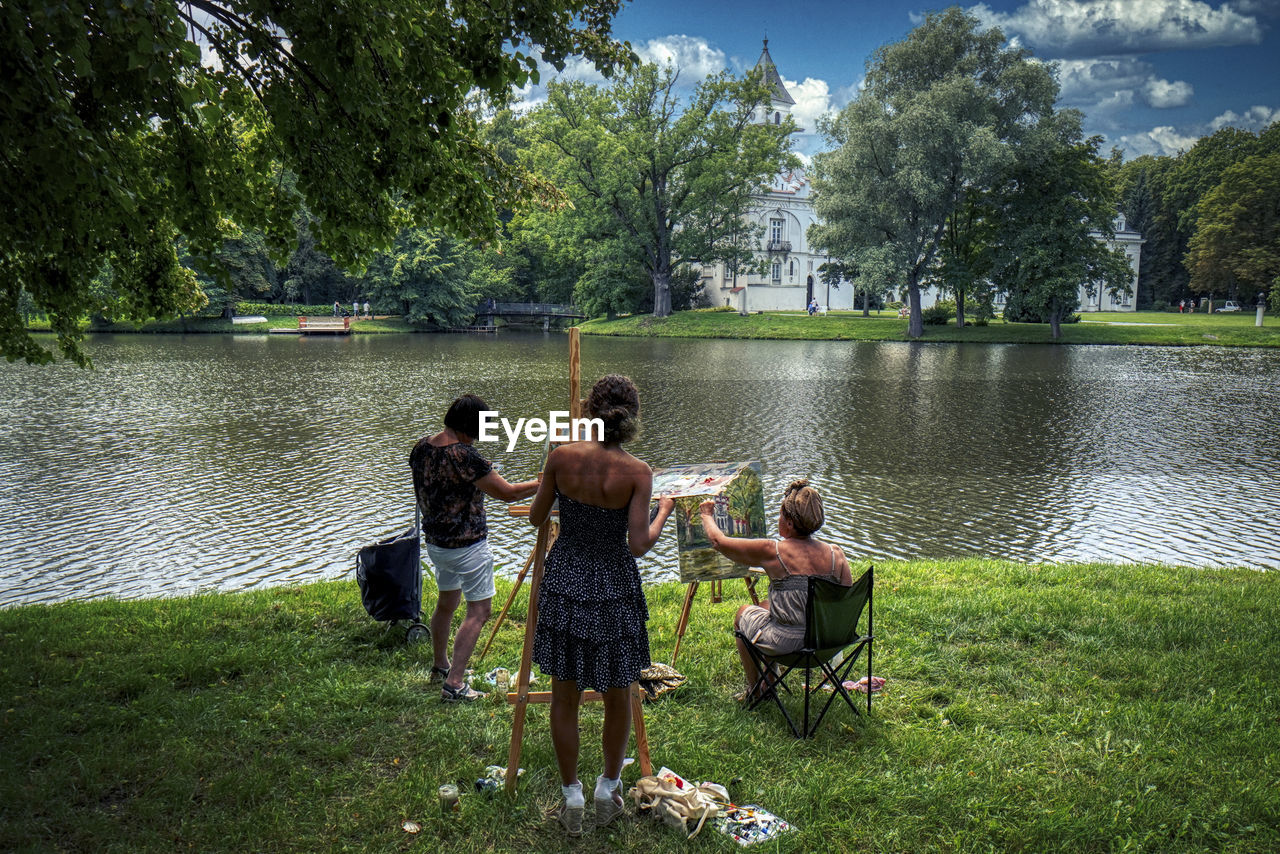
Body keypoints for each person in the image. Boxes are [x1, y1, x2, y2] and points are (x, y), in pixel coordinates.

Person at [528, 375, 675, 836]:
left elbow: (536, 517)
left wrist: (552, 489)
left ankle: (571, 793)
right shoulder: (638, 473)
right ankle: (607, 788)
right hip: (613, 584)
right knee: (617, 694)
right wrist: (664, 512)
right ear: (631, 419)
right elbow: (637, 544)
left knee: (564, 693)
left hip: (567, 577)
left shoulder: (561, 457)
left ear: (590, 410)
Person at [410, 394, 540, 703]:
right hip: (468, 546)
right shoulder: (466, 456)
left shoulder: (422, 447)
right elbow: (507, 493)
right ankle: (455, 684)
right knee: (479, 611)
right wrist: (544, 483)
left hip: (437, 544)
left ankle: (442, 665)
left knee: (446, 603)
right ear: (474, 426)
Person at [698, 479, 851, 701]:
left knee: (743, 613)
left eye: (780, 515)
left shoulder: (773, 551)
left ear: (789, 523)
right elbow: (844, 600)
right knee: (764, 607)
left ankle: (758, 690)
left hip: (790, 646)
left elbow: (719, 542)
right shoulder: (836, 554)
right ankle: (769, 678)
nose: (778, 519)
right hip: (827, 642)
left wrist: (706, 515)